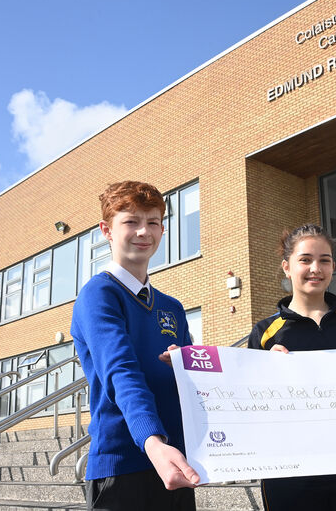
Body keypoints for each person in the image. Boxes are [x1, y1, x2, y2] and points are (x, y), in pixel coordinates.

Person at [71, 181, 199, 510]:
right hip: (124, 464)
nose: (144, 231)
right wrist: (153, 443)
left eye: (153, 222)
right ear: (106, 230)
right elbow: (121, 371)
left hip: (175, 462)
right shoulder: (99, 294)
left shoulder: (172, 307)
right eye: (131, 221)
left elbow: (197, 379)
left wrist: (191, 366)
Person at [247, 223, 336, 511]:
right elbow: (247, 403)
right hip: (292, 476)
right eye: (305, 260)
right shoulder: (266, 332)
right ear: (287, 267)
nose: (316, 268)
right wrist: (263, 374)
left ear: (333, 267)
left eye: (324, 260)